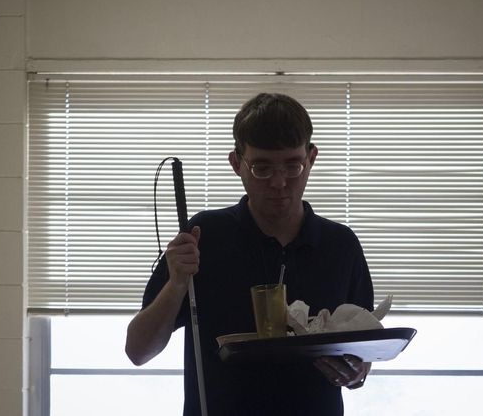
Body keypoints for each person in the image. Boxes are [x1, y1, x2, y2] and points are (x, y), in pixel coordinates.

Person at [125, 93, 374, 416]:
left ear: (311, 158)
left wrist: (357, 372)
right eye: (261, 168)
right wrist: (175, 285)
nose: (279, 182)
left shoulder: (340, 245)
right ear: (236, 163)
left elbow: (364, 348)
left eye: (293, 165)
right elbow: (138, 350)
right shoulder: (202, 236)